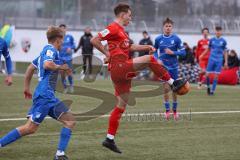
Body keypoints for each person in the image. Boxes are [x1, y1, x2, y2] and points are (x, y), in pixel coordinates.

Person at [91, 3, 187, 154]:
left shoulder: (122, 31)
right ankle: (173, 82)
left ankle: (109, 139)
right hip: (120, 67)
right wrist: (107, 53)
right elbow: (95, 40)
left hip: (120, 73)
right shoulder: (113, 27)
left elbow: (131, 47)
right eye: (129, 15)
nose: (131, 17)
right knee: (149, 60)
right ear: (122, 15)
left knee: (121, 106)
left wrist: (147, 47)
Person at [0, 26, 75, 160]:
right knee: (30, 128)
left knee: (70, 121)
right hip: (45, 95)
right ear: (58, 39)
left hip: (47, 95)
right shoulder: (50, 50)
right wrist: (60, 67)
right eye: (62, 39)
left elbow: (30, 69)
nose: (63, 43)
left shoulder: (44, 52)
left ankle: (60, 154)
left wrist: (26, 88)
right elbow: (47, 65)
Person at [154, 17, 186, 120]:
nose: (168, 28)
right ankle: (167, 111)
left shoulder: (176, 39)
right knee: (166, 89)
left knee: (175, 90)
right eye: (166, 26)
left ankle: (175, 111)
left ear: (172, 28)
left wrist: (173, 52)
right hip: (164, 67)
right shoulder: (158, 39)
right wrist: (157, 59)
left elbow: (183, 52)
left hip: (174, 67)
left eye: (170, 26)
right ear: (163, 27)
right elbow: (154, 51)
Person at [201, 26, 228, 95]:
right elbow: (208, 49)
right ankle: (208, 88)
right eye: (217, 31)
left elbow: (225, 52)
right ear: (215, 31)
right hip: (211, 59)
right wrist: (202, 55)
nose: (218, 32)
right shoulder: (212, 40)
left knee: (216, 76)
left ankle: (212, 91)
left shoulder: (223, 41)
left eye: (219, 31)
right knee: (207, 75)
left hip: (219, 60)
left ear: (221, 32)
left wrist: (226, 62)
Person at [59, 24, 75, 93]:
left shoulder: (70, 37)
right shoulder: (58, 38)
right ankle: (65, 87)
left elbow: (74, 45)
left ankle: (71, 85)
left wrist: (70, 48)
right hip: (60, 58)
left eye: (64, 28)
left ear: (66, 29)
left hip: (68, 58)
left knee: (69, 72)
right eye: (61, 28)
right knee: (62, 73)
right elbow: (55, 46)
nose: (62, 30)